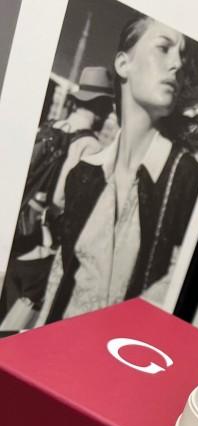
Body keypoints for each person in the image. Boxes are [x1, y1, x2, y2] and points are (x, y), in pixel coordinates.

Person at [40, 14, 198, 323]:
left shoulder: (188, 179)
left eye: (182, 55)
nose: (177, 64)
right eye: (164, 48)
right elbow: (59, 278)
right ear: (123, 64)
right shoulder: (84, 174)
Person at [0, 67, 113, 330]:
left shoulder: (50, 127)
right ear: (101, 106)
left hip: (17, 234)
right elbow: (62, 200)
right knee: (14, 327)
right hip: (41, 248)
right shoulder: (90, 146)